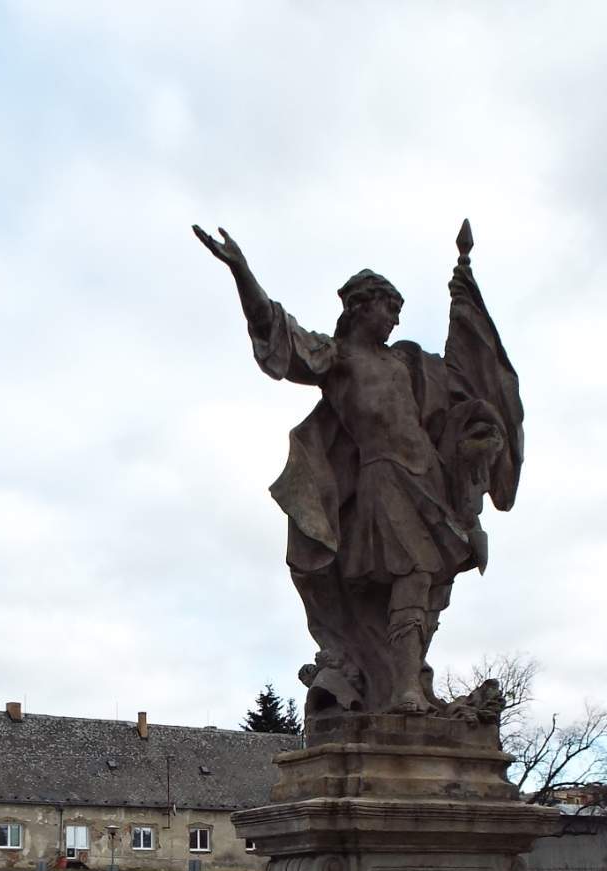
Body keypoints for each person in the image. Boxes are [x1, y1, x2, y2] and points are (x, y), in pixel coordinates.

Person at [194, 224, 522, 716]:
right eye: (389, 308)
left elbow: (461, 383)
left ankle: (407, 681)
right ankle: (405, 688)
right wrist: (242, 272)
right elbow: (276, 331)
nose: (395, 319)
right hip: (382, 478)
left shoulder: (410, 362)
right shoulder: (338, 358)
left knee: (434, 582)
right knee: (414, 569)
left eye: (399, 312)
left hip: (428, 476)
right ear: (361, 306)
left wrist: (463, 300)